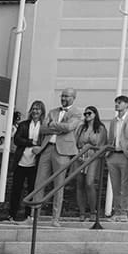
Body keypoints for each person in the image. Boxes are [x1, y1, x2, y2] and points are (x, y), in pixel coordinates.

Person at [37, 87, 80, 226]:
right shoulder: (52, 111)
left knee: (58, 186)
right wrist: (58, 127)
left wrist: (53, 124)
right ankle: (34, 217)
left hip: (63, 151)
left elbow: (69, 127)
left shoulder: (76, 112)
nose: (63, 98)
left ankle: (55, 218)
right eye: (62, 96)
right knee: (39, 183)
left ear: (73, 98)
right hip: (47, 148)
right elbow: (43, 129)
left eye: (67, 96)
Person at [6, 99, 46, 221]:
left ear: (42, 111)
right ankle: (11, 214)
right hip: (21, 161)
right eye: (33, 108)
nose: (35, 111)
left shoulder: (44, 126)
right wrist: (31, 142)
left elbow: (45, 142)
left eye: (37, 109)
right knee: (16, 189)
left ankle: (28, 215)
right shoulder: (24, 125)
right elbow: (17, 139)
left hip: (35, 163)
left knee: (31, 190)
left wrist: (38, 146)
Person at [73, 105, 109, 220]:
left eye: (89, 113)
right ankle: (82, 212)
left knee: (89, 183)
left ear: (95, 114)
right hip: (80, 156)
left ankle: (93, 211)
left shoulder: (100, 128)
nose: (87, 116)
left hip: (93, 157)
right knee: (80, 184)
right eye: (85, 114)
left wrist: (92, 150)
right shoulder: (81, 128)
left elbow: (102, 144)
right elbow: (76, 141)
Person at [106, 94, 128, 221]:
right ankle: (117, 211)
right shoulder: (113, 121)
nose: (116, 105)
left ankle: (124, 212)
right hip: (114, 154)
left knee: (125, 185)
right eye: (116, 102)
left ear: (126, 104)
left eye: (119, 102)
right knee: (115, 185)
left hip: (126, 155)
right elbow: (111, 138)